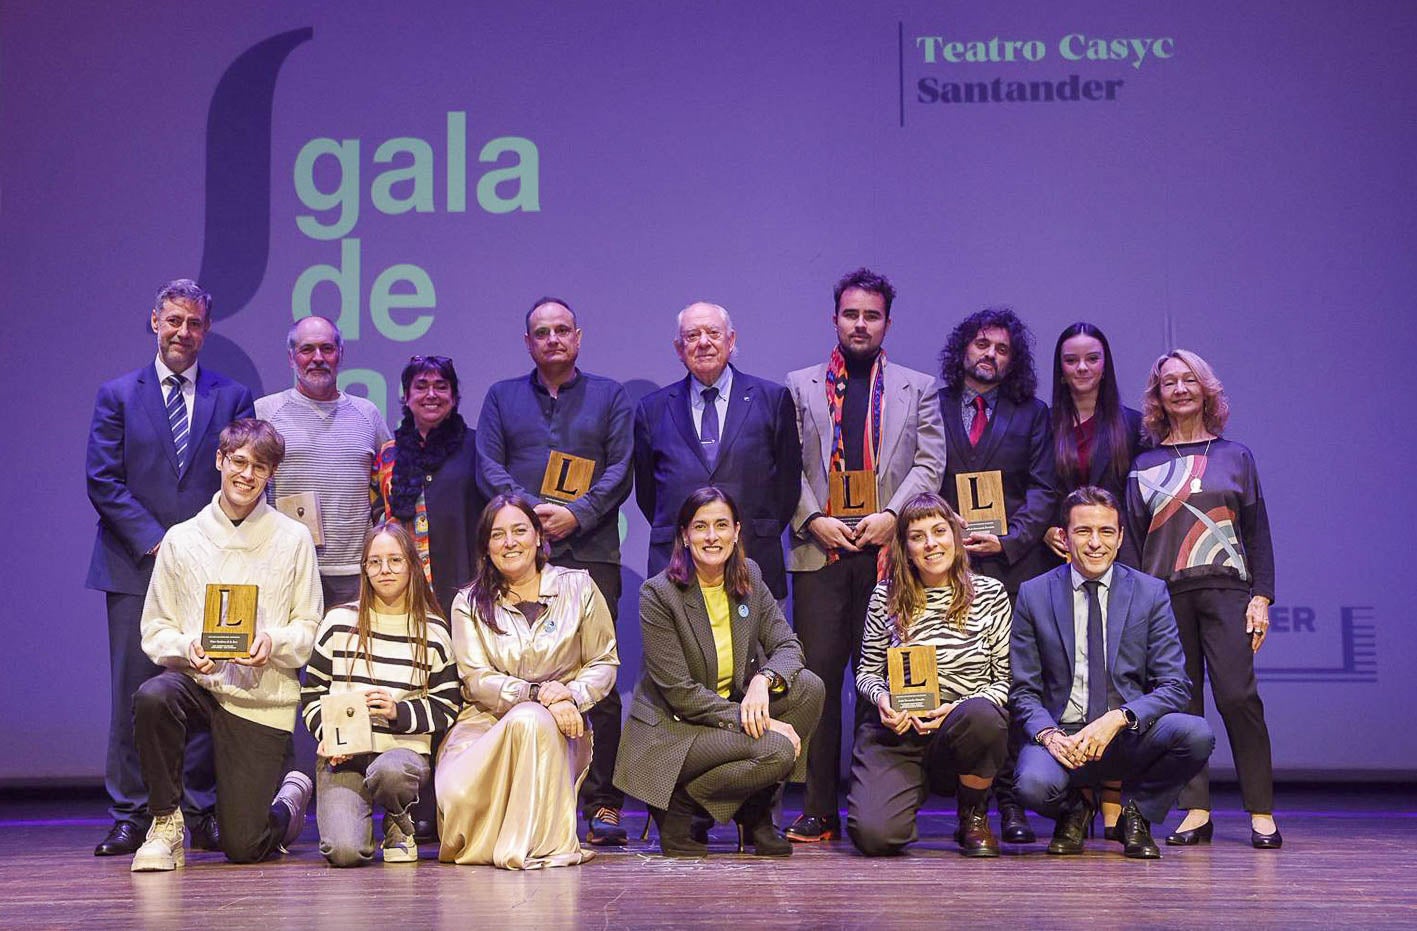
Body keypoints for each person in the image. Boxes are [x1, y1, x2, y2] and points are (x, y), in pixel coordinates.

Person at [86, 278, 254, 857]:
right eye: (175, 321)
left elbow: (242, 478)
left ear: (207, 330)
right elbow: (103, 481)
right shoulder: (117, 395)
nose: (185, 332)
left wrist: (205, 548)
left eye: (196, 324)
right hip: (136, 568)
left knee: (208, 686)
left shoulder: (230, 396)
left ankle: (198, 809)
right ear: (154, 322)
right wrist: (161, 545)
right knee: (136, 694)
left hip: (214, 568)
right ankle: (134, 812)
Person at [785, 268, 946, 843]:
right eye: (850, 314)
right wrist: (815, 519)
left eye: (871, 315)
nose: (860, 324)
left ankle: (876, 803)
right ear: (835, 318)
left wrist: (892, 519)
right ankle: (820, 806)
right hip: (820, 552)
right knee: (820, 683)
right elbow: (786, 468)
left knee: (882, 677)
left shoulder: (917, 386)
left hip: (887, 555)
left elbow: (929, 465)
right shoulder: (799, 385)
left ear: (887, 323)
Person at [129, 419, 321, 871]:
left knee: (244, 845)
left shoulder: (292, 539)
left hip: (261, 694)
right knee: (154, 696)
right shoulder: (182, 539)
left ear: (272, 474)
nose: (247, 474)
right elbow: (155, 629)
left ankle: (289, 800)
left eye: (260, 466)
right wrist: (186, 646)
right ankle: (165, 824)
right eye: (239, 461)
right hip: (200, 681)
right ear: (220, 460)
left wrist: (272, 642)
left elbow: (309, 625)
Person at [477, 297, 635, 845]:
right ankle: (519, 794)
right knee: (513, 667)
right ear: (528, 343)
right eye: (540, 332)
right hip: (516, 553)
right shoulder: (501, 397)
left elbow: (621, 469)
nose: (552, 339)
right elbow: (487, 464)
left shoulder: (610, 396)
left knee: (598, 674)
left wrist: (577, 513)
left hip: (590, 551)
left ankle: (605, 803)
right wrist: (528, 517)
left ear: (578, 336)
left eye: (561, 330)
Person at [1124, 350, 1281, 848]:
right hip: (1163, 597)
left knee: (1238, 697)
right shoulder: (1143, 465)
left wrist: (1263, 597)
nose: (1180, 388)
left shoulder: (1237, 456)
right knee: (1182, 708)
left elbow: (1257, 534)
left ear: (1206, 388)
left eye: (1188, 379)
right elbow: (1130, 542)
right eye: (1168, 382)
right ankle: (1195, 810)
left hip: (1227, 589)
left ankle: (1261, 810)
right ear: (1158, 397)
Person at [615, 487, 824, 857]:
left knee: (809, 687)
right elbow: (681, 694)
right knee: (777, 750)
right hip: (674, 729)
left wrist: (764, 680)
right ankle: (680, 807)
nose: (712, 537)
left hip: (725, 716)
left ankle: (754, 811)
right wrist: (762, 722)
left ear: (737, 531)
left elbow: (789, 648)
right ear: (684, 535)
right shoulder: (659, 595)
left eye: (721, 525)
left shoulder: (749, 577)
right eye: (701, 527)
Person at [1012, 486, 1214, 858]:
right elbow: (1023, 689)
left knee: (1196, 734)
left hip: (1126, 734)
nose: (1094, 543)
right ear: (1063, 536)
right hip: (1065, 738)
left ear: (1120, 537)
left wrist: (1119, 718)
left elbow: (1175, 685)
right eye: (1083, 531)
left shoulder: (1149, 593)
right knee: (1031, 785)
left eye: (1106, 532)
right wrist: (1049, 734)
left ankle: (1137, 813)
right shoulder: (1034, 594)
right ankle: (1075, 809)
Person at [437, 495, 619, 869]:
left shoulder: (579, 587)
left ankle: (540, 845)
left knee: (532, 719)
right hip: (484, 724)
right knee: (454, 793)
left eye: (519, 530)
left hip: (557, 727)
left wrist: (570, 694)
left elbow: (604, 662)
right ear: (486, 548)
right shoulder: (468, 602)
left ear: (538, 537)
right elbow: (476, 680)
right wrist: (537, 695)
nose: (510, 542)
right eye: (498, 535)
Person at [936, 305, 1059, 844]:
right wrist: (939, 532)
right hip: (939, 561)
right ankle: (956, 798)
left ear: (1014, 361)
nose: (990, 354)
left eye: (1002, 348)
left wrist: (1007, 541)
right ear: (964, 348)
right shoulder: (930, 405)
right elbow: (917, 475)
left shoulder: (1031, 413)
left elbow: (1044, 490)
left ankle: (1008, 803)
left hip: (1010, 565)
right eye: (982, 344)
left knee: (1006, 681)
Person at [847, 493, 1011, 858]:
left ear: (955, 536)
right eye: (918, 536)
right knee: (876, 837)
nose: (931, 543)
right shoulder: (883, 597)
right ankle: (903, 798)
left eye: (939, 531)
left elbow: (1004, 680)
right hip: (899, 731)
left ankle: (973, 812)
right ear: (904, 548)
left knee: (985, 717)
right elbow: (867, 673)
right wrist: (883, 700)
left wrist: (955, 709)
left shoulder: (990, 594)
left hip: (962, 727)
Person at [301, 522, 461, 866]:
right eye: (375, 562)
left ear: (411, 566)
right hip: (342, 755)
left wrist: (397, 712)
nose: (384, 570)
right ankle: (350, 820)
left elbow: (448, 704)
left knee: (390, 772)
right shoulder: (337, 623)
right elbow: (312, 690)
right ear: (364, 569)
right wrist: (328, 735)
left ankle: (398, 819)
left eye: (394, 560)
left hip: (400, 755)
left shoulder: (432, 630)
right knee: (344, 853)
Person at [1041, 321, 1147, 839]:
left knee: (1116, 678)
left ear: (1106, 364)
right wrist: (1045, 531)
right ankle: (1080, 800)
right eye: (1071, 360)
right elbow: (1035, 489)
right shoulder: (1046, 425)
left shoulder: (1134, 424)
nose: (1081, 369)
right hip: (1060, 565)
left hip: (1118, 564)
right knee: (1074, 675)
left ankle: (1114, 798)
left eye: (1092, 359)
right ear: (1059, 369)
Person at [634, 301, 802, 601]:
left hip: (753, 560)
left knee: (757, 649)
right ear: (678, 347)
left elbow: (788, 486)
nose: (703, 343)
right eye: (692, 335)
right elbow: (648, 493)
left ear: (731, 339)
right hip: (677, 565)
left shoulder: (772, 399)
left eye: (713, 332)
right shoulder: (652, 409)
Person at [256, 315, 392, 607]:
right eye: (307, 350)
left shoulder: (367, 414)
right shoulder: (265, 413)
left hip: (356, 573)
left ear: (340, 354)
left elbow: (391, 486)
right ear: (292, 358)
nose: (318, 358)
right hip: (287, 566)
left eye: (327, 349)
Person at [373, 355, 485, 616]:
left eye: (441, 386)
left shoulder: (477, 446)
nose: (431, 394)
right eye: (421, 386)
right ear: (407, 397)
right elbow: (378, 514)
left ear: (454, 396)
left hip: (464, 578)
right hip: (404, 585)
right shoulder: (389, 454)